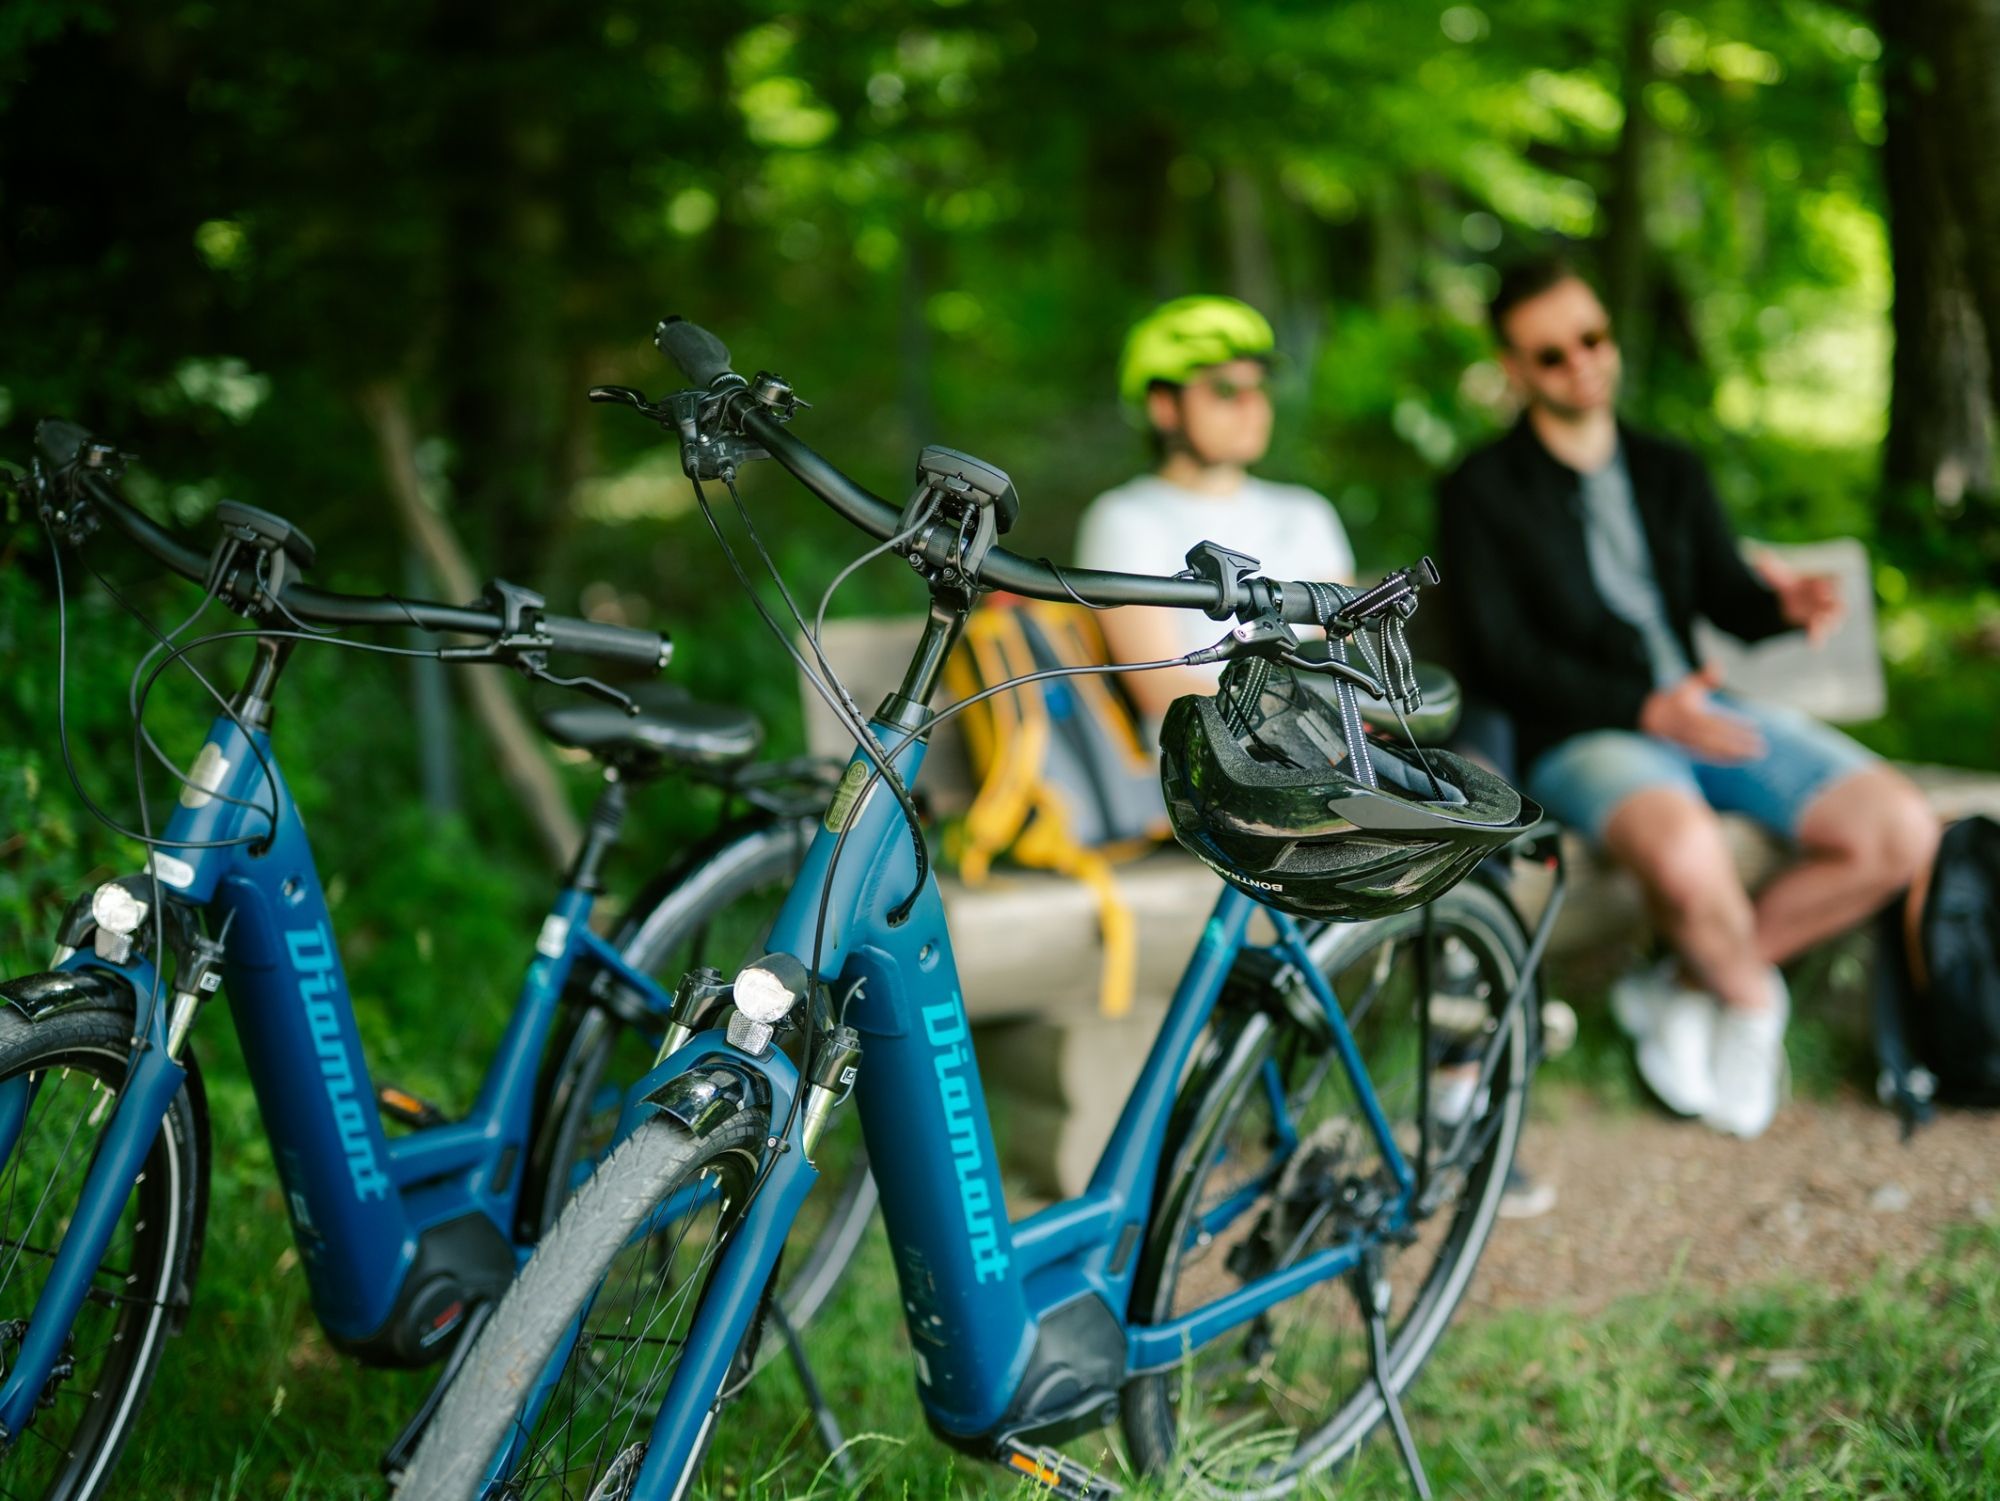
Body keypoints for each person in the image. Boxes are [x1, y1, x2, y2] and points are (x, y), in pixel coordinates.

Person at [1438, 255, 1939, 1140]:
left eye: (1592, 338)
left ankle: (1674, 982)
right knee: (1690, 855)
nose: (1582, 362)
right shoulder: (1480, 491)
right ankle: (1750, 1002)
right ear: (1515, 371)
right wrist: (1643, 705)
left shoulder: (1668, 467)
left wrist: (1782, 607)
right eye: (1551, 354)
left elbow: (1722, 594)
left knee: (1901, 830)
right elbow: (1500, 657)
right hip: (1589, 734)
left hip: (1707, 713)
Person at [1075, 295, 1354, 730]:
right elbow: (1161, 687)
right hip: (1202, 777)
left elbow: (1343, 655)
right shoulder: (1124, 518)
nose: (1252, 406)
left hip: (1328, 760)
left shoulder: (1308, 512)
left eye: (1259, 388)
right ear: (1164, 406)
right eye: (1225, 389)